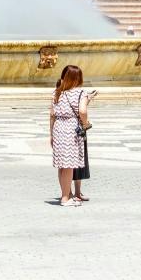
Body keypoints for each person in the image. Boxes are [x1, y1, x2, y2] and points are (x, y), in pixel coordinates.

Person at [50, 64, 94, 207]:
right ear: (78, 78)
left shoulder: (57, 92)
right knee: (69, 165)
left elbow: (52, 115)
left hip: (58, 128)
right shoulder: (81, 93)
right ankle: (65, 198)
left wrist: (51, 134)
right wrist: (86, 123)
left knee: (62, 165)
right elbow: (82, 111)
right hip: (71, 129)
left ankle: (67, 193)